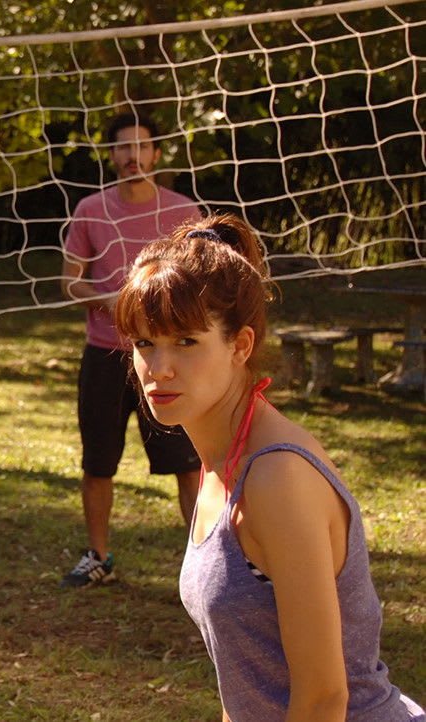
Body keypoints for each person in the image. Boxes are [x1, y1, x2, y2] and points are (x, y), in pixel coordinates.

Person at [113, 213, 425, 721]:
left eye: (186, 342)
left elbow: (324, 697)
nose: (159, 367)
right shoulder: (222, 456)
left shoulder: (277, 475)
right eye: (145, 342)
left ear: (240, 346)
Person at [58, 111, 203, 588]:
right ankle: (97, 556)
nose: (131, 156)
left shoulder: (185, 213)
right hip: (106, 353)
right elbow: (69, 282)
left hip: (167, 359)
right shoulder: (90, 210)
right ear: (112, 155)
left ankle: (204, 561)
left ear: (155, 154)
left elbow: (202, 280)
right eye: (123, 148)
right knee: (98, 461)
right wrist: (108, 299)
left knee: (188, 462)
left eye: (140, 147)